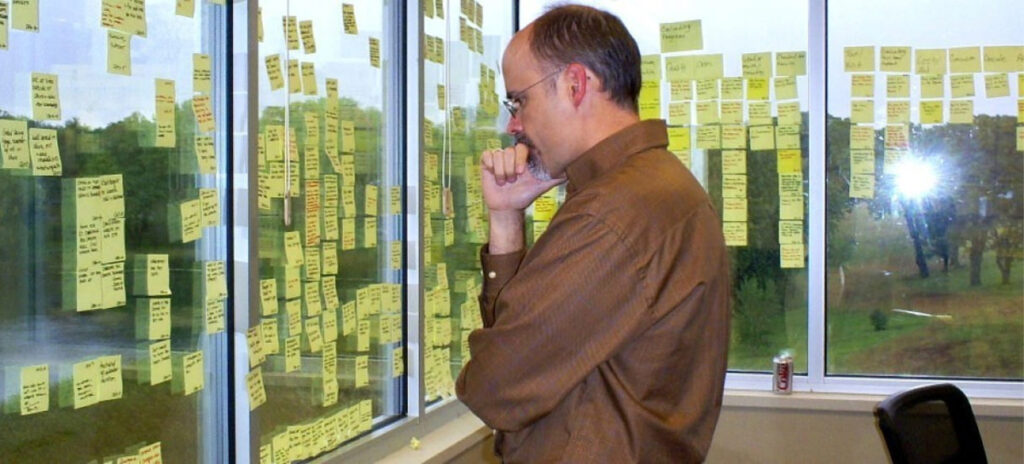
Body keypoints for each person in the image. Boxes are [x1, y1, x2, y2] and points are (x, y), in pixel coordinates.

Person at [455, 4, 731, 463]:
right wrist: (505, 219)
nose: (513, 125)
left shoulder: (613, 215)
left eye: (519, 100)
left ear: (575, 84)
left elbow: (492, 387)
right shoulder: (658, 188)